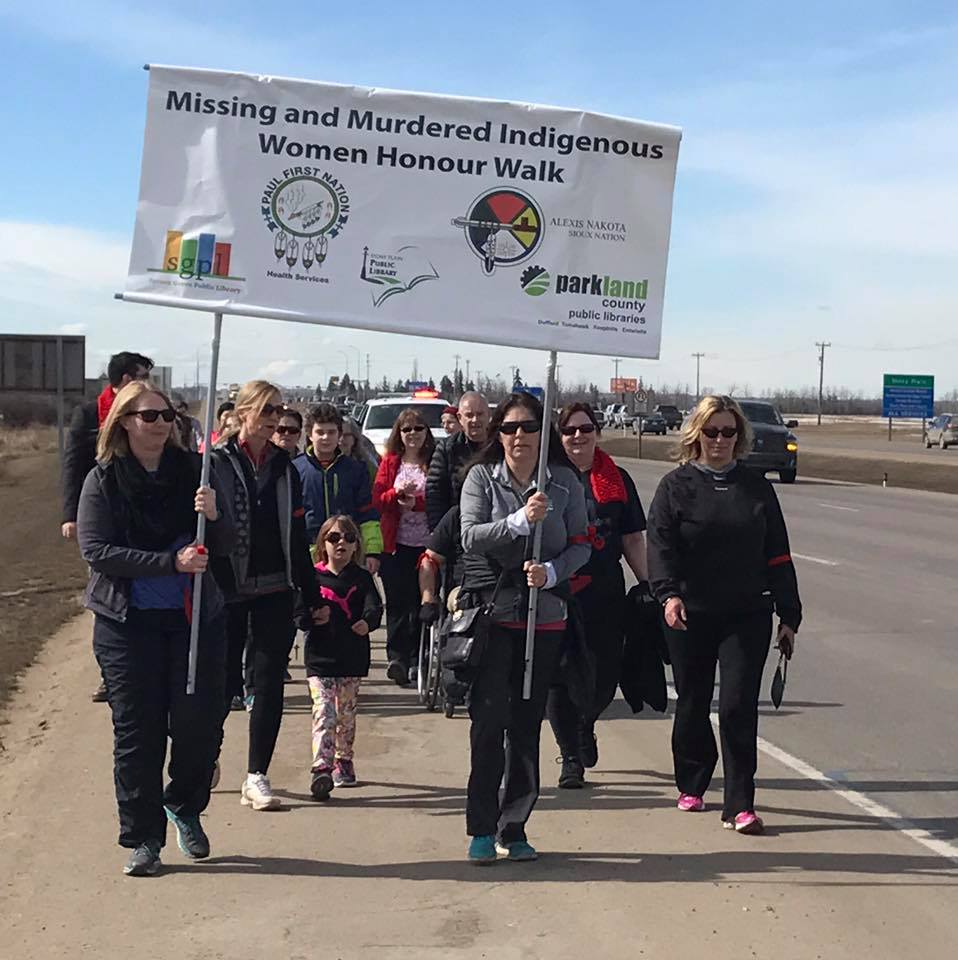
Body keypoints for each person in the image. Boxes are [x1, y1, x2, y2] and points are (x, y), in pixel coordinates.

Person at [77, 380, 234, 877]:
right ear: (125, 422)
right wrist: (171, 562)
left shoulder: (198, 472)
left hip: (193, 623)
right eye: (150, 416)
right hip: (128, 626)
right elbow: (97, 551)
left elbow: (228, 543)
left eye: (168, 415)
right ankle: (144, 838)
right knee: (138, 735)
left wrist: (215, 516)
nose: (162, 424)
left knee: (198, 728)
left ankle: (184, 804)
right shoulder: (103, 480)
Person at [646, 395, 801, 835]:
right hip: (689, 613)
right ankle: (693, 779)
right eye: (711, 432)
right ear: (696, 435)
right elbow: (661, 549)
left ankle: (740, 803)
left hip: (746, 614)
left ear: (739, 437)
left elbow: (778, 555)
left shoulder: (756, 489)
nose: (719, 440)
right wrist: (668, 596)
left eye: (728, 432)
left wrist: (789, 614)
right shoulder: (675, 487)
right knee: (693, 703)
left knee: (737, 706)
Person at [459, 392, 590, 864]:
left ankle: (514, 825)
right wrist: (516, 521)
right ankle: (480, 825)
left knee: (526, 725)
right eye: (510, 428)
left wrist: (554, 573)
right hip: (495, 617)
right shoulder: (481, 478)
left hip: (545, 618)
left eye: (528, 427)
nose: (519, 437)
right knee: (488, 723)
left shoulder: (565, 484)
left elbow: (581, 544)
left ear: (542, 434)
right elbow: (470, 536)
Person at [211, 380, 324, 812]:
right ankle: (208, 753)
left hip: (276, 585)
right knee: (223, 680)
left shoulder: (285, 467)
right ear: (244, 413)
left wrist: (310, 596)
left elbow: (297, 536)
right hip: (228, 587)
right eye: (266, 410)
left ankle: (256, 774)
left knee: (268, 680)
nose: (276, 418)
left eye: (279, 409)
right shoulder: (216, 463)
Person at [546, 402, 649, 788]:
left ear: (597, 432)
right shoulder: (547, 479)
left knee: (604, 674)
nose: (578, 436)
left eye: (585, 428)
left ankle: (586, 722)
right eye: (569, 430)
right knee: (558, 675)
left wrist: (649, 586)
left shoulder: (616, 479)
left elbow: (633, 537)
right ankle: (570, 755)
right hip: (556, 588)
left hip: (604, 592)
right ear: (559, 436)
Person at [61, 350, 154, 703]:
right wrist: (71, 515)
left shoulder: (150, 410)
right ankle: (110, 671)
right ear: (127, 378)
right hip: (102, 515)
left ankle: (141, 660)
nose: (147, 382)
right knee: (108, 593)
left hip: (143, 515)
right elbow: (73, 465)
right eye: (142, 374)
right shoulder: (88, 414)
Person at [303, 515, 383, 800]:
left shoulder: (361, 578)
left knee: (345, 715)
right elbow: (298, 612)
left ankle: (343, 758)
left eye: (349, 538)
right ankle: (321, 769)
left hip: (351, 658)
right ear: (323, 543)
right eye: (334, 538)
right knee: (325, 713)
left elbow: (375, 607)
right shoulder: (313, 577)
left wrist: (367, 622)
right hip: (320, 659)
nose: (342, 544)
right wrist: (310, 617)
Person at [373, 408, 436, 684]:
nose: (413, 434)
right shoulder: (390, 462)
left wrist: (417, 504)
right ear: (399, 433)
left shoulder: (434, 461)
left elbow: (439, 499)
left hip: (427, 543)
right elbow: (377, 499)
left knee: (421, 603)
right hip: (395, 544)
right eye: (407, 429)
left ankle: (417, 660)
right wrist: (397, 495)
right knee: (398, 604)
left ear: (427, 432)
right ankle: (397, 658)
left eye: (418, 429)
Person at [294, 403, 383, 569]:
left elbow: (367, 512)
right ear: (310, 435)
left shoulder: (355, 469)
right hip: (308, 554)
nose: (326, 437)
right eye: (320, 432)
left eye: (331, 432)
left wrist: (372, 552)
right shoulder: (296, 469)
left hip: (347, 552)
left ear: (339, 435)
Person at [426, 391, 490, 531]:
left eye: (480, 414)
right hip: (456, 529)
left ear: (488, 415)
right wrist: (439, 533)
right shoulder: (447, 448)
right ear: (460, 418)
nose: (475, 420)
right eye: (469, 415)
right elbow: (435, 493)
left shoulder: (501, 445)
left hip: (494, 527)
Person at [341, 415, 380, 481]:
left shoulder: (365, 464)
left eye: (346, 435)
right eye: (338, 434)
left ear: (355, 438)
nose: (341, 439)